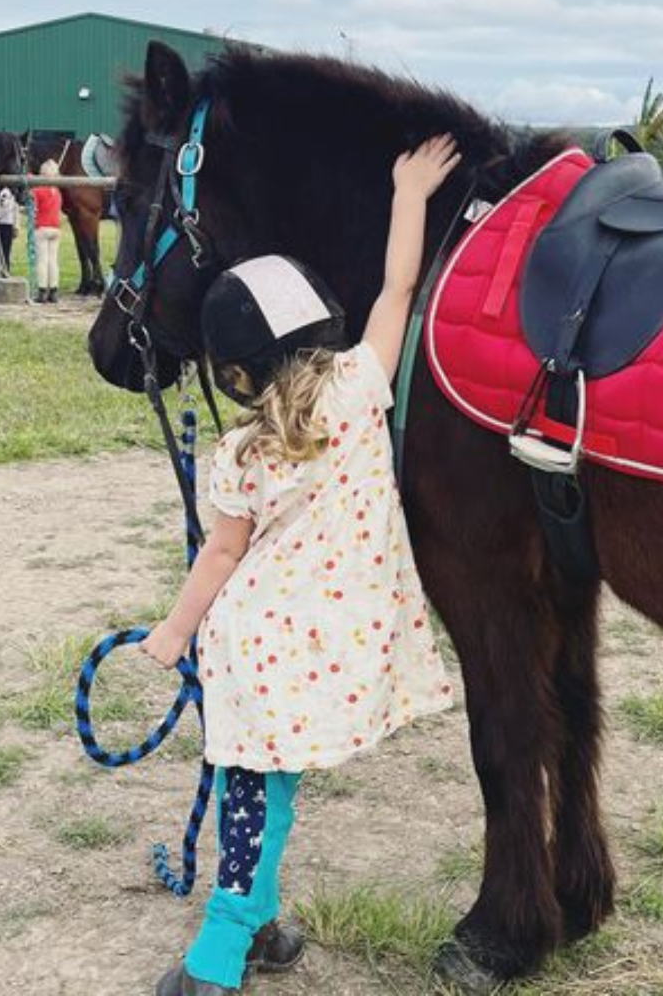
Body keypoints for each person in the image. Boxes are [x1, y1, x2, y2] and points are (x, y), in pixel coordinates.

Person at [142, 134, 462, 996]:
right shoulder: (361, 385)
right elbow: (400, 286)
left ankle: (228, 943)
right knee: (266, 795)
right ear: (323, 326)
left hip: (255, 644)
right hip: (323, 640)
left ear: (236, 372)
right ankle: (244, 935)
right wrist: (410, 195)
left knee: (256, 796)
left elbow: (222, 549)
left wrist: (176, 632)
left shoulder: (242, 452)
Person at [31, 159, 62, 303]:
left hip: (42, 227)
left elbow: (33, 208)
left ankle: (42, 291)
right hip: (56, 227)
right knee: (53, 261)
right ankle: (54, 291)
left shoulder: (37, 191)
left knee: (42, 261)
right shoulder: (57, 192)